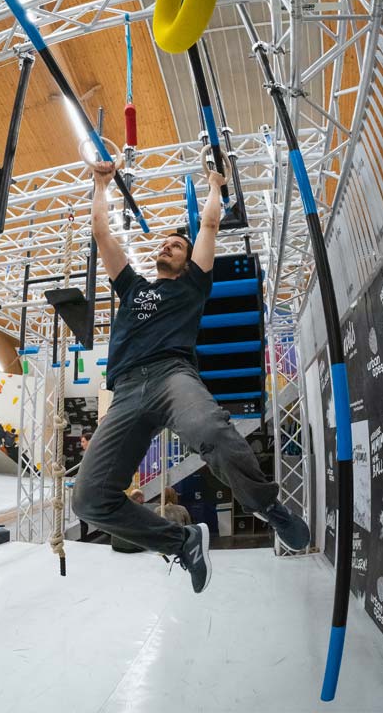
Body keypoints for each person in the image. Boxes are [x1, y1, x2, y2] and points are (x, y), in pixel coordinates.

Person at [73, 160, 310, 594]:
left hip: (170, 376)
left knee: (210, 431)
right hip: (126, 391)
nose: (167, 246)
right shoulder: (132, 287)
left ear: (187, 262)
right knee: (88, 501)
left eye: (175, 245)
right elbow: (101, 232)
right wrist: (100, 184)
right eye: (164, 243)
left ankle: (268, 508)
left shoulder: (192, 287)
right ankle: (181, 542)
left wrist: (216, 187)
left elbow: (210, 226)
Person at [111, 489, 147, 553]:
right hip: (131, 547)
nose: (144, 501)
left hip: (115, 545)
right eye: (143, 498)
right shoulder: (140, 511)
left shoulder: (119, 508)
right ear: (140, 498)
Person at [78, 430, 94, 541]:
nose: (81, 444)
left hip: (92, 488)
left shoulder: (94, 454)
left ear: (89, 441)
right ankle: (83, 539)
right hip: (86, 487)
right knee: (82, 516)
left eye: (83, 441)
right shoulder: (87, 454)